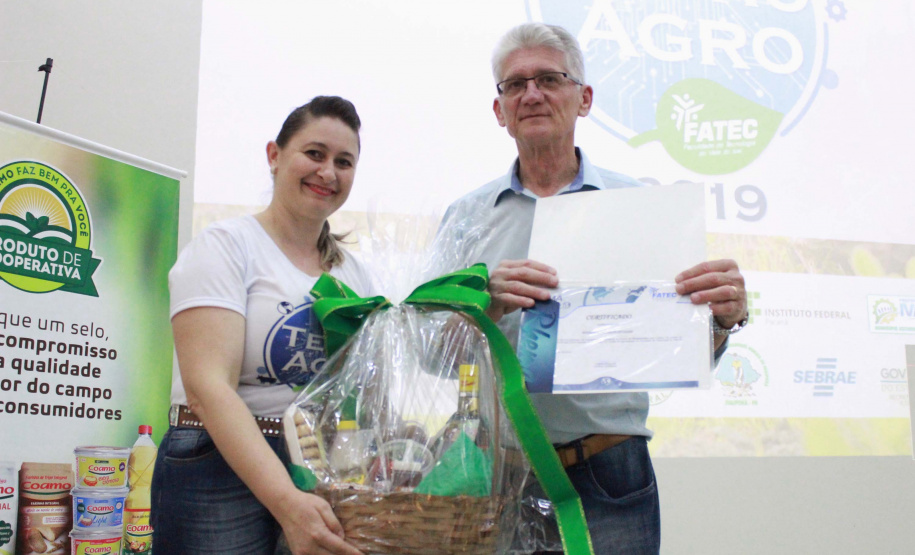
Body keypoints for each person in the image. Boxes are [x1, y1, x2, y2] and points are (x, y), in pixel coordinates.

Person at [440, 24, 749, 554]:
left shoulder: (643, 207)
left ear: (583, 98)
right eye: (514, 85)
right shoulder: (466, 219)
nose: (531, 94)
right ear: (499, 110)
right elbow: (434, 356)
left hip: (610, 470)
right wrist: (481, 305)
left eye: (548, 79)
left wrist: (720, 321)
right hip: (499, 476)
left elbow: (687, 351)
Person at [150, 96, 369, 555]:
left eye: (343, 162)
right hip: (217, 460)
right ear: (274, 156)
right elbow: (207, 389)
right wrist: (288, 501)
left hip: (317, 461)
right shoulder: (226, 247)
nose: (328, 172)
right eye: (314, 154)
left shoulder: (353, 274)